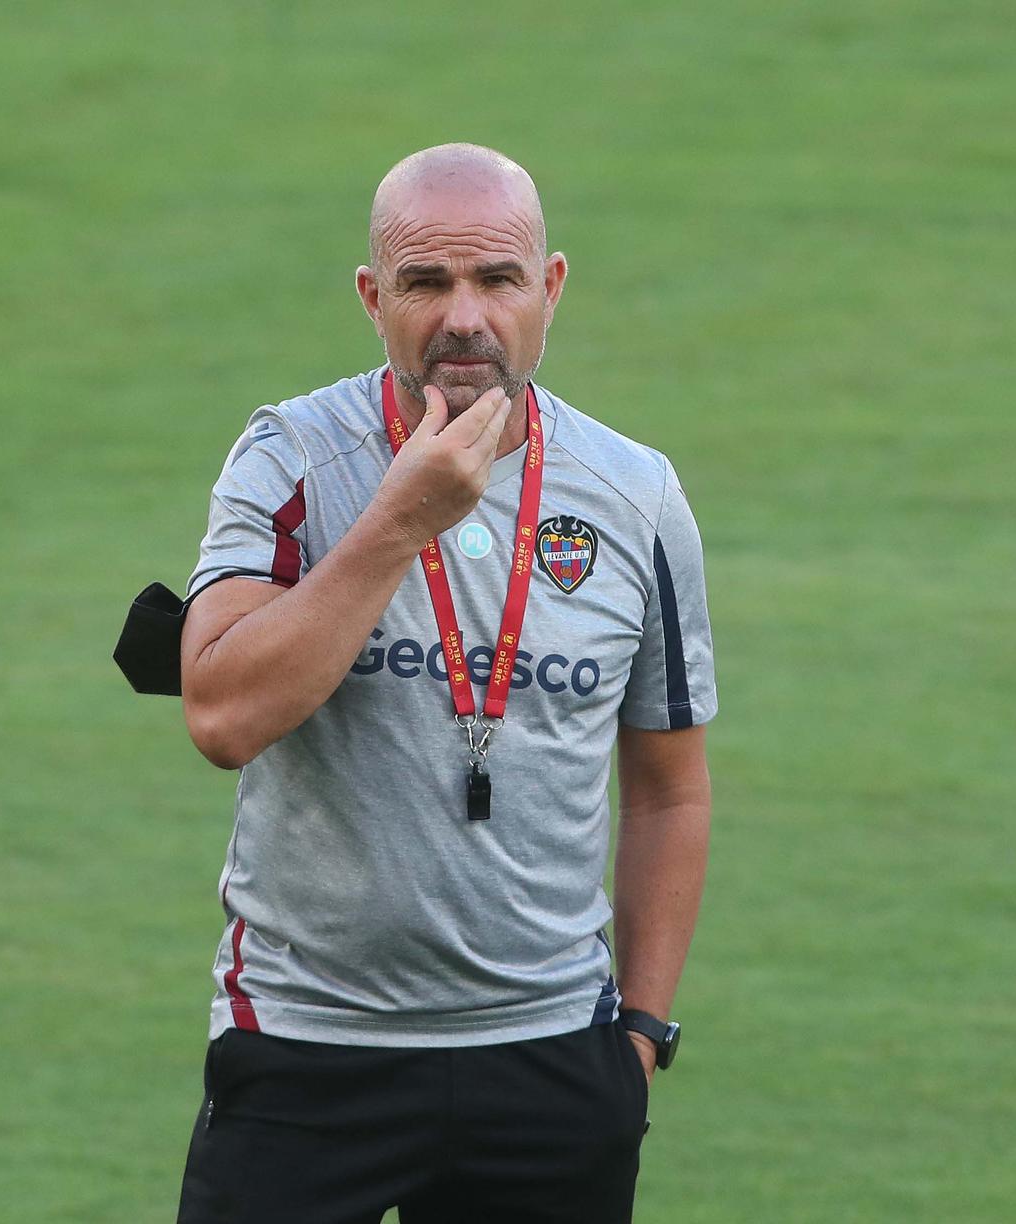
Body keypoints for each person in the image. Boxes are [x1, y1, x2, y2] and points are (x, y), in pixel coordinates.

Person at [170, 143, 716, 1223]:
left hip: (553, 1063)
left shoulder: (635, 496)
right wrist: (398, 519)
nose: (463, 317)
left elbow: (670, 788)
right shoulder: (290, 459)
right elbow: (222, 716)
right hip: (306, 1053)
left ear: (548, 288)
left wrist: (640, 1037)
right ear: (373, 298)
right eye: (425, 283)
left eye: (496, 280)